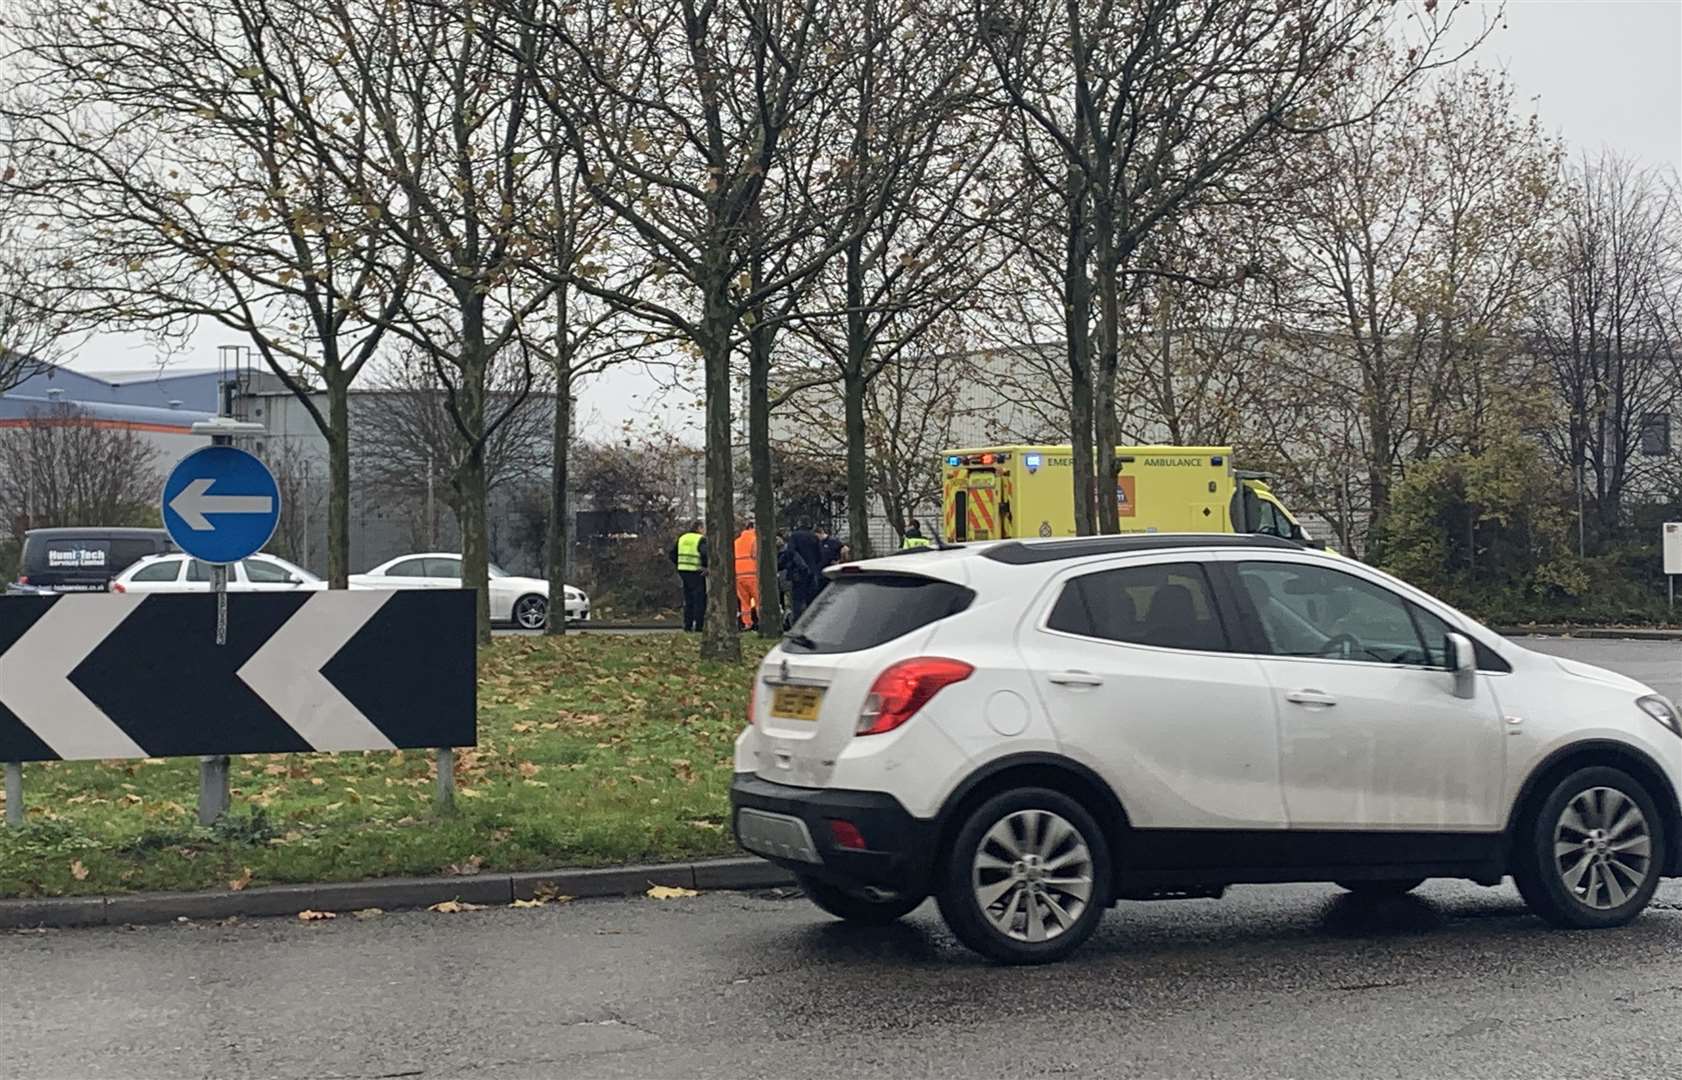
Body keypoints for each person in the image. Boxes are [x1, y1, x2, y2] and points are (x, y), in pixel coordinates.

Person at [668, 520, 708, 632]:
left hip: (683, 572)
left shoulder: (682, 538)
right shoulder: (700, 539)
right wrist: (706, 567)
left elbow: (672, 554)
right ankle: (699, 626)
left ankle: (688, 625)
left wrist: (679, 564)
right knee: (699, 599)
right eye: (703, 528)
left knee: (688, 599)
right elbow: (705, 554)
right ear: (699, 528)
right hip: (696, 572)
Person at [786, 520, 823, 620]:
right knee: (811, 599)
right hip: (812, 573)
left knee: (797, 600)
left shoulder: (794, 536)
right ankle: (811, 621)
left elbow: (790, 552)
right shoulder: (814, 537)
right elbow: (819, 556)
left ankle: (797, 623)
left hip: (798, 572)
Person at [733, 518, 759, 630]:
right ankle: (761, 621)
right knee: (758, 600)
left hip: (738, 575)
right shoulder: (755, 539)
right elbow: (756, 555)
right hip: (752, 574)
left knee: (744, 602)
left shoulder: (736, 541)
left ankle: (747, 623)